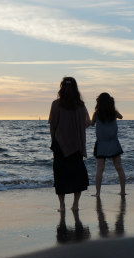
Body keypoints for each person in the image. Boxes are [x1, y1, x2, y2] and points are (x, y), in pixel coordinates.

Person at [49, 77, 91, 211]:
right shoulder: (81, 105)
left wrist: (52, 140)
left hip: (60, 144)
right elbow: (87, 123)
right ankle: (75, 204)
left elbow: (53, 125)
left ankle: (62, 206)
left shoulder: (56, 104)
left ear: (61, 88)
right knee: (77, 175)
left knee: (60, 176)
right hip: (77, 145)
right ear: (76, 88)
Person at [91, 92, 126, 196]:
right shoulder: (113, 113)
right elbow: (121, 116)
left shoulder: (96, 114)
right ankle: (122, 191)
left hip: (101, 144)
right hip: (114, 142)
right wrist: (113, 108)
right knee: (119, 167)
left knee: (100, 169)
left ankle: (97, 193)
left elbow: (92, 124)